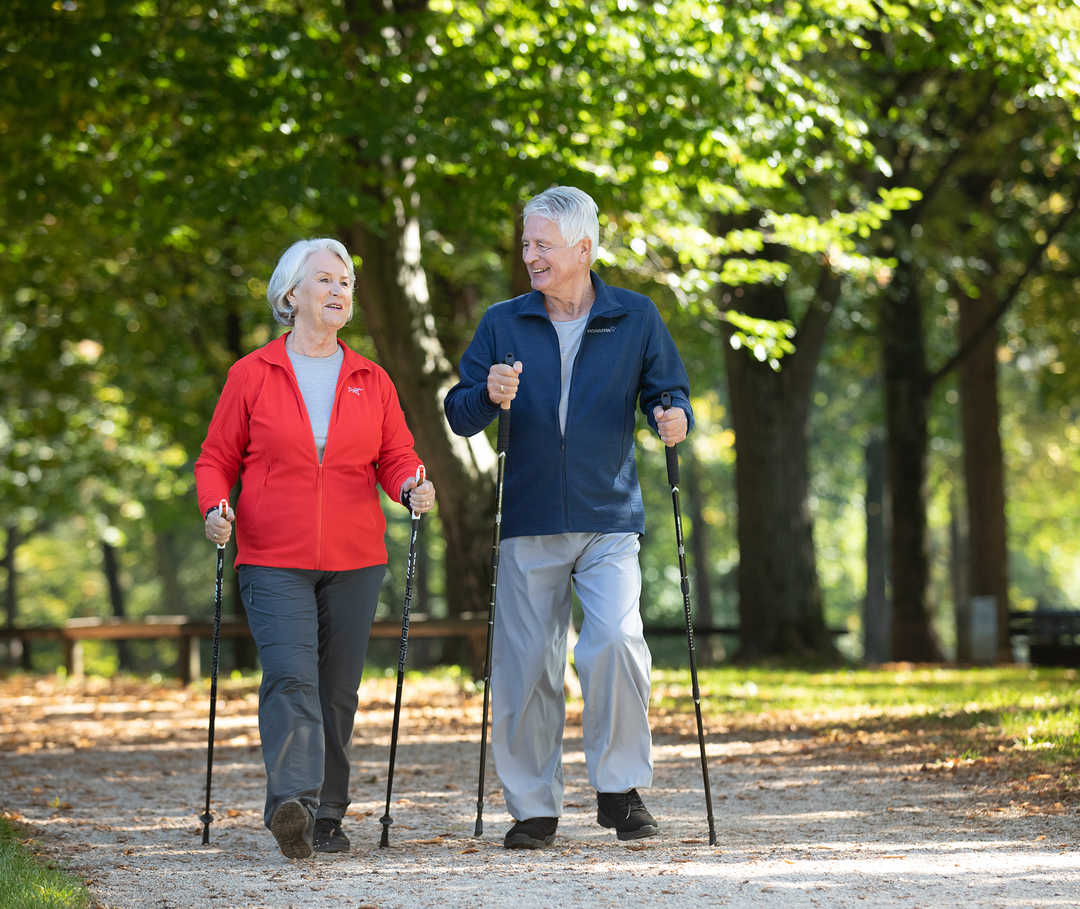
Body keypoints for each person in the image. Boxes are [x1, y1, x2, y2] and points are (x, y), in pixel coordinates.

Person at [444, 186, 692, 849]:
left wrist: (673, 416)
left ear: (583, 248)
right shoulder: (504, 320)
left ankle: (619, 789)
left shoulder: (635, 316)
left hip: (609, 515)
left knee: (614, 639)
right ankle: (533, 806)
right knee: (526, 664)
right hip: (528, 517)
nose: (530, 255)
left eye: (542, 244)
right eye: (526, 243)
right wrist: (486, 394)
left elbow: (667, 390)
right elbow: (459, 408)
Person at [194, 238, 436, 859]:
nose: (338, 290)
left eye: (347, 282)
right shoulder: (252, 374)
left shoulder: (370, 378)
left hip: (356, 557)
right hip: (273, 554)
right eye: (325, 280)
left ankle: (328, 814)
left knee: (337, 690)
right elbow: (217, 458)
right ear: (290, 295)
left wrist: (410, 484)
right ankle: (292, 805)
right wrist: (215, 508)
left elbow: (395, 456)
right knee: (291, 678)